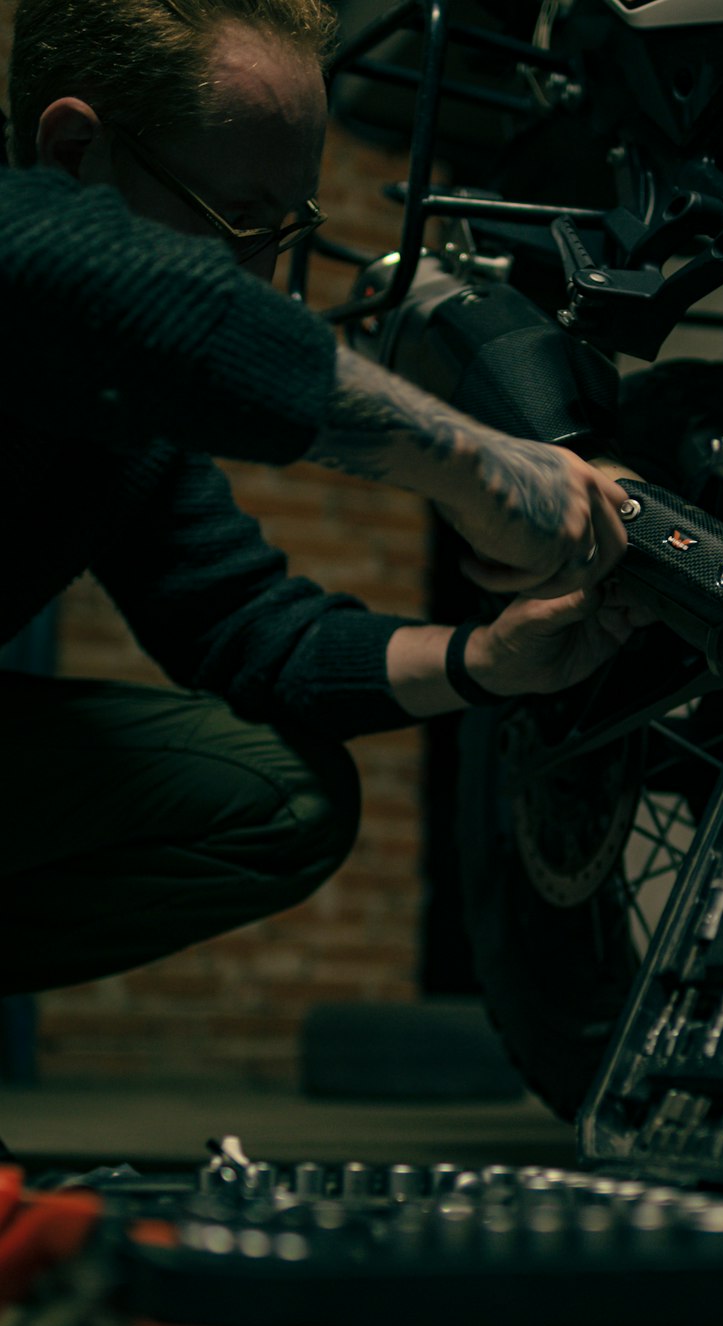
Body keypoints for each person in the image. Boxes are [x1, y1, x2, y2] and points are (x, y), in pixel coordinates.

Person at [0, 0, 637, 993]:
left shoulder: (126, 431)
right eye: (241, 221)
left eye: (285, 225)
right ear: (73, 150)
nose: (271, 281)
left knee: (281, 796)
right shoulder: (23, 242)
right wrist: (478, 466)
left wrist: (486, 662)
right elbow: (128, 294)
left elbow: (252, 632)